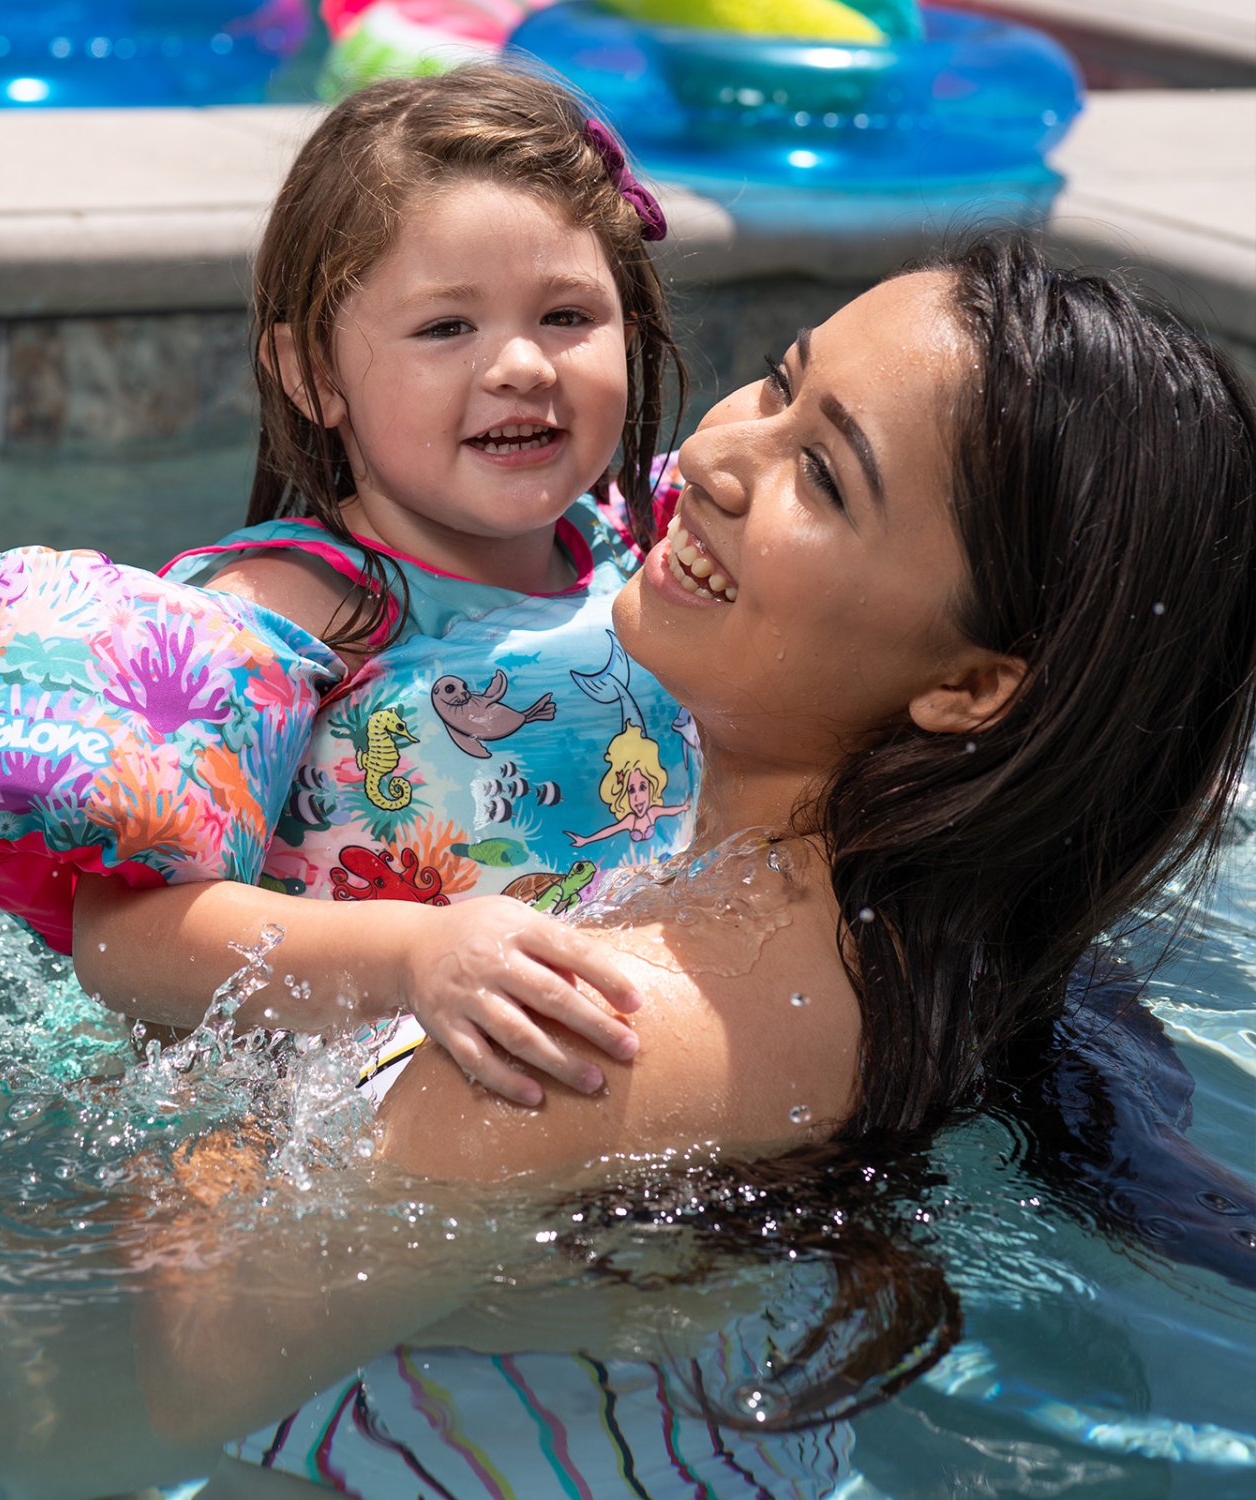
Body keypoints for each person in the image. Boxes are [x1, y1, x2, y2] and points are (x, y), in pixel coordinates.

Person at [120, 235, 1256, 1482]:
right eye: (781, 381)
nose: (715, 455)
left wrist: (176, 1031)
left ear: (975, 686)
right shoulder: (931, 960)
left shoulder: (578, 1036)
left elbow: (190, 1375)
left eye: (822, 474)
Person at [73, 69, 700, 1109]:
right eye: (447, 327)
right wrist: (412, 956)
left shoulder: (655, 554)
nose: (521, 365)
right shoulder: (276, 613)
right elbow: (122, 941)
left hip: (596, 1084)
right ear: (315, 374)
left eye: (567, 314)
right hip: (298, 1111)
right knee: (201, 1194)